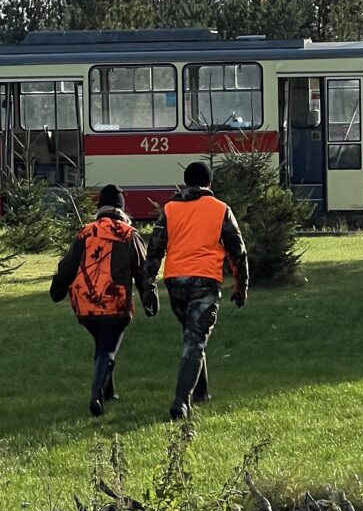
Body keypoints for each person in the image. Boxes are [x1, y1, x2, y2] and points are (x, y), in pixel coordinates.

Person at [145, 162, 249, 421]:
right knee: (195, 341)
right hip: (205, 280)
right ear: (209, 183)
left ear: (186, 182)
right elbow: (238, 251)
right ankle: (181, 401)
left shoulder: (170, 209)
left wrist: (149, 284)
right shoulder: (220, 209)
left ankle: (201, 393)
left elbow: (155, 249)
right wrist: (241, 286)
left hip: (175, 282)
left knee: (192, 336)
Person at [50, 184, 158, 417]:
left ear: (100, 207)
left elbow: (67, 266)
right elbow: (143, 271)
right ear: (121, 209)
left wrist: (56, 290)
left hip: (84, 304)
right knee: (107, 350)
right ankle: (97, 396)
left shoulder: (85, 232)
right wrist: (149, 298)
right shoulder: (128, 234)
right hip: (114, 303)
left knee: (102, 345)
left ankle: (109, 393)